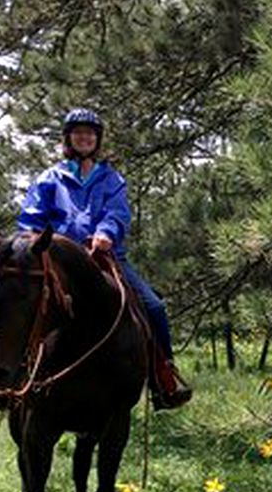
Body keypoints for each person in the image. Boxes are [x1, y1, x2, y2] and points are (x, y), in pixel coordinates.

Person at [13, 108, 192, 410]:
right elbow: (31, 217)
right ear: (68, 138)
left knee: (154, 306)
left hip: (105, 257)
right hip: (58, 260)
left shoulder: (111, 179)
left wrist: (106, 232)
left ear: (97, 140)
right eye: (79, 132)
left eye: (91, 133)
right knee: (15, 298)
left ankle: (163, 379)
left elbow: (118, 212)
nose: (85, 137)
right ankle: (5, 376)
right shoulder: (49, 178)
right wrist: (31, 239)